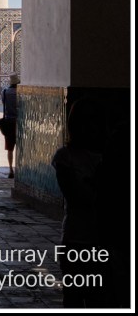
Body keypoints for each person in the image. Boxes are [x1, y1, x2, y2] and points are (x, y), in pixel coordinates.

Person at [51, 98, 108, 308]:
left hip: (93, 238)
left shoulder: (68, 158)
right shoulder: (66, 158)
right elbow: (79, 197)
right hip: (83, 238)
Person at [0, 72, 19, 178]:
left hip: (8, 122)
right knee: (19, 147)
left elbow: (4, 104)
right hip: (19, 123)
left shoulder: (5, 92)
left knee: (10, 148)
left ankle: (11, 169)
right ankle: (19, 168)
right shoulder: (20, 92)